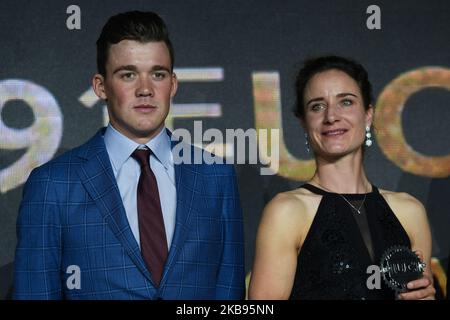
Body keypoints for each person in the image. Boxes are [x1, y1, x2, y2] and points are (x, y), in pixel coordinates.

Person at [13, 11, 245, 300]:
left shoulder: (216, 176)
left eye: (157, 74)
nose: (145, 89)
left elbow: (229, 293)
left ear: (173, 85)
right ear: (101, 86)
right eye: (128, 74)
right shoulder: (52, 184)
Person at [248, 55, 435, 300]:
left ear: (368, 114)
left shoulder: (410, 211)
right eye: (317, 106)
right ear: (304, 123)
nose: (331, 116)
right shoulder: (287, 211)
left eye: (346, 102)